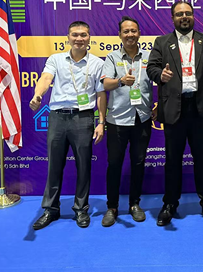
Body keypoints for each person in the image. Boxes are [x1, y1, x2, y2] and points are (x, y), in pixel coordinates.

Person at [147, 1, 203, 226]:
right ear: (172, 18)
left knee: (202, 158)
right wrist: (160, 75)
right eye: (179, 14)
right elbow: (151, 68)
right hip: (174, 109)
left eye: (188, 13)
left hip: (200, 108)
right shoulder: (162, 42)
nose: (184, 17)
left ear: (193, 16)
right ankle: (170, 204)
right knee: (172, 160)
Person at [30, 21, 106, 230]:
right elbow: (46, 78)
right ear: (68, 37)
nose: (79, 38)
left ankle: (81, 209)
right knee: (54, 165)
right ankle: (51, 209)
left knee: (84, 165)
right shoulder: (56, 59)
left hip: (83, 118)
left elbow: (101, 94)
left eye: (83, 35)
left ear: (89, 38)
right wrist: (38, 95)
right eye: (75, 35)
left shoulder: (98, 63)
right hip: (58, 118)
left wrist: (101, 122)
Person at [100, 16, 156, 226]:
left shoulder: (149, 57)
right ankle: (112, 207)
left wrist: (159, 106)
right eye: (126, 31)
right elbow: (105, 84)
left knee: (138, 163)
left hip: (142, 117)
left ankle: (134, 204)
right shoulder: (112, 57)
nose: (130, 34)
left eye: (133, 31)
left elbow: (161, 81)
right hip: (117, 120)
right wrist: (121, 81)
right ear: (120, 35)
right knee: (114, 164)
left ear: (139, 33)